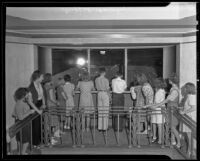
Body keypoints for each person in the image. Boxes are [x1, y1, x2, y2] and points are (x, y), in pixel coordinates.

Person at [146, 73, 181, 148]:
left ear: (172, 80)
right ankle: (173, 141)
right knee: (169, 126)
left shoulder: (175, 90)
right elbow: (166, 101)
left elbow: (166, 100)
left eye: (169, 80)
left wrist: (155, 105)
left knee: (172, 127)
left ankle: (179, 142)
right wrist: (154, 105)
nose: (168, 81)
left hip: (172, 109)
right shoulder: (173, 88)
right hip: (169, 108)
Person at [12, 88, 35, 154]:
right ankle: (22, 152)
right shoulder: (20, 103)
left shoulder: (20, 102)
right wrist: (29, 112)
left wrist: (28, 112)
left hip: (22, 123)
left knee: (20, 139)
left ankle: (20, 152)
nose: (29, 95)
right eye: (28, 94)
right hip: (23, 124)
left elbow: (14, 114)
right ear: (23, 95)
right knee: (26, 140)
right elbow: (21, 117)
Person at [28, 70, 46, 149]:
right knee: (36, 125)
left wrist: (44, 103)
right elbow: (29, 102)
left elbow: (42, 96)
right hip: (34, 106)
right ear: (37, 77)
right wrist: (38, 110)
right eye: (42, 76)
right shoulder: (31, 87)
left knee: (41, 123)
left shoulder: (40, 85)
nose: (43, 78)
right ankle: (35, 143)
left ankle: (41, 141)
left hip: (40, 103)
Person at [179, 82, 196, 158]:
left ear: (188, 88)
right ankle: (191, 151)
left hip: (189, 118)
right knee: (189, 136)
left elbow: (194, 108)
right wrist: (182, 109)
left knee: (190, 136)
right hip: (187, 117)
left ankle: (190, 151)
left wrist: (183, 112)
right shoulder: (188, 96)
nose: (184, 89)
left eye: (185, 88)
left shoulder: (191, 96)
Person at [43, 73, 60, 145]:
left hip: (47, 104)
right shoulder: (50, 87)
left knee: (48, 122)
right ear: (50, 78)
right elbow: (51, 98)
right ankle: (51, 139)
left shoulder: (44, 86)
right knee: (52, 122)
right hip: (52, 105)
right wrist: (57, 102)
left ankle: (49, 138)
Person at [151, 78, 166, 144]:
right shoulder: (159, 90)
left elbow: (161, 102)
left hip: (159, 109)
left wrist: (154, 106)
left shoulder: (161, 91)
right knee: (154, 122)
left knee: (159, 124)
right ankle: (155, 137)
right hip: (155, 109)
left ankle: (160, 139)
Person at [95, 67, 110, 131]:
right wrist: (110, 97)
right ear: (104, 72)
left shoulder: (96, 79)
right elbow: (107, 89)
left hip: (99, 94)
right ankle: (105, 127)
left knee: (100, 110)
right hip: (105, 94)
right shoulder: (106, 80)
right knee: (105, 111)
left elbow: (96, 87)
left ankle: (100, 127)